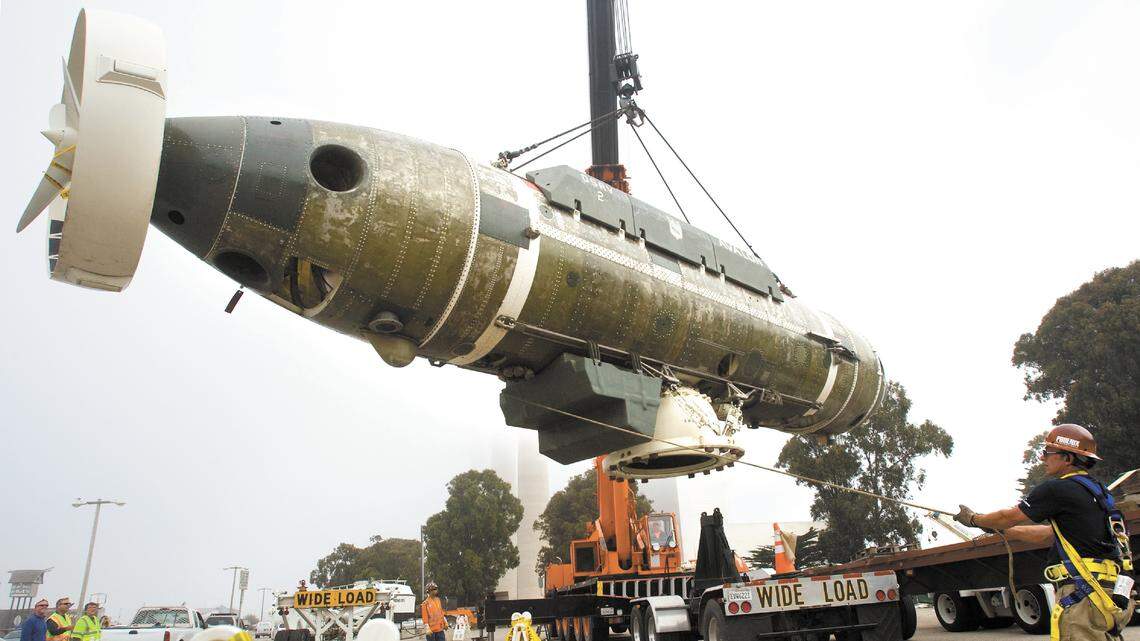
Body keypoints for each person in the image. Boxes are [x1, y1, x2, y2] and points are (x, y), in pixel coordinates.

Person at [954, 424, 1135, 641]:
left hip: (1082, 593)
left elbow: (1009, 515)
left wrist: (975, 519)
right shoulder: (1099, 493)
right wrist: (1000, 529)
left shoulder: (1057, 489)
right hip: (1107, 591)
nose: (1042, 458)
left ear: (1068, 458)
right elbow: (1047, 534)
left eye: (1048, 453)